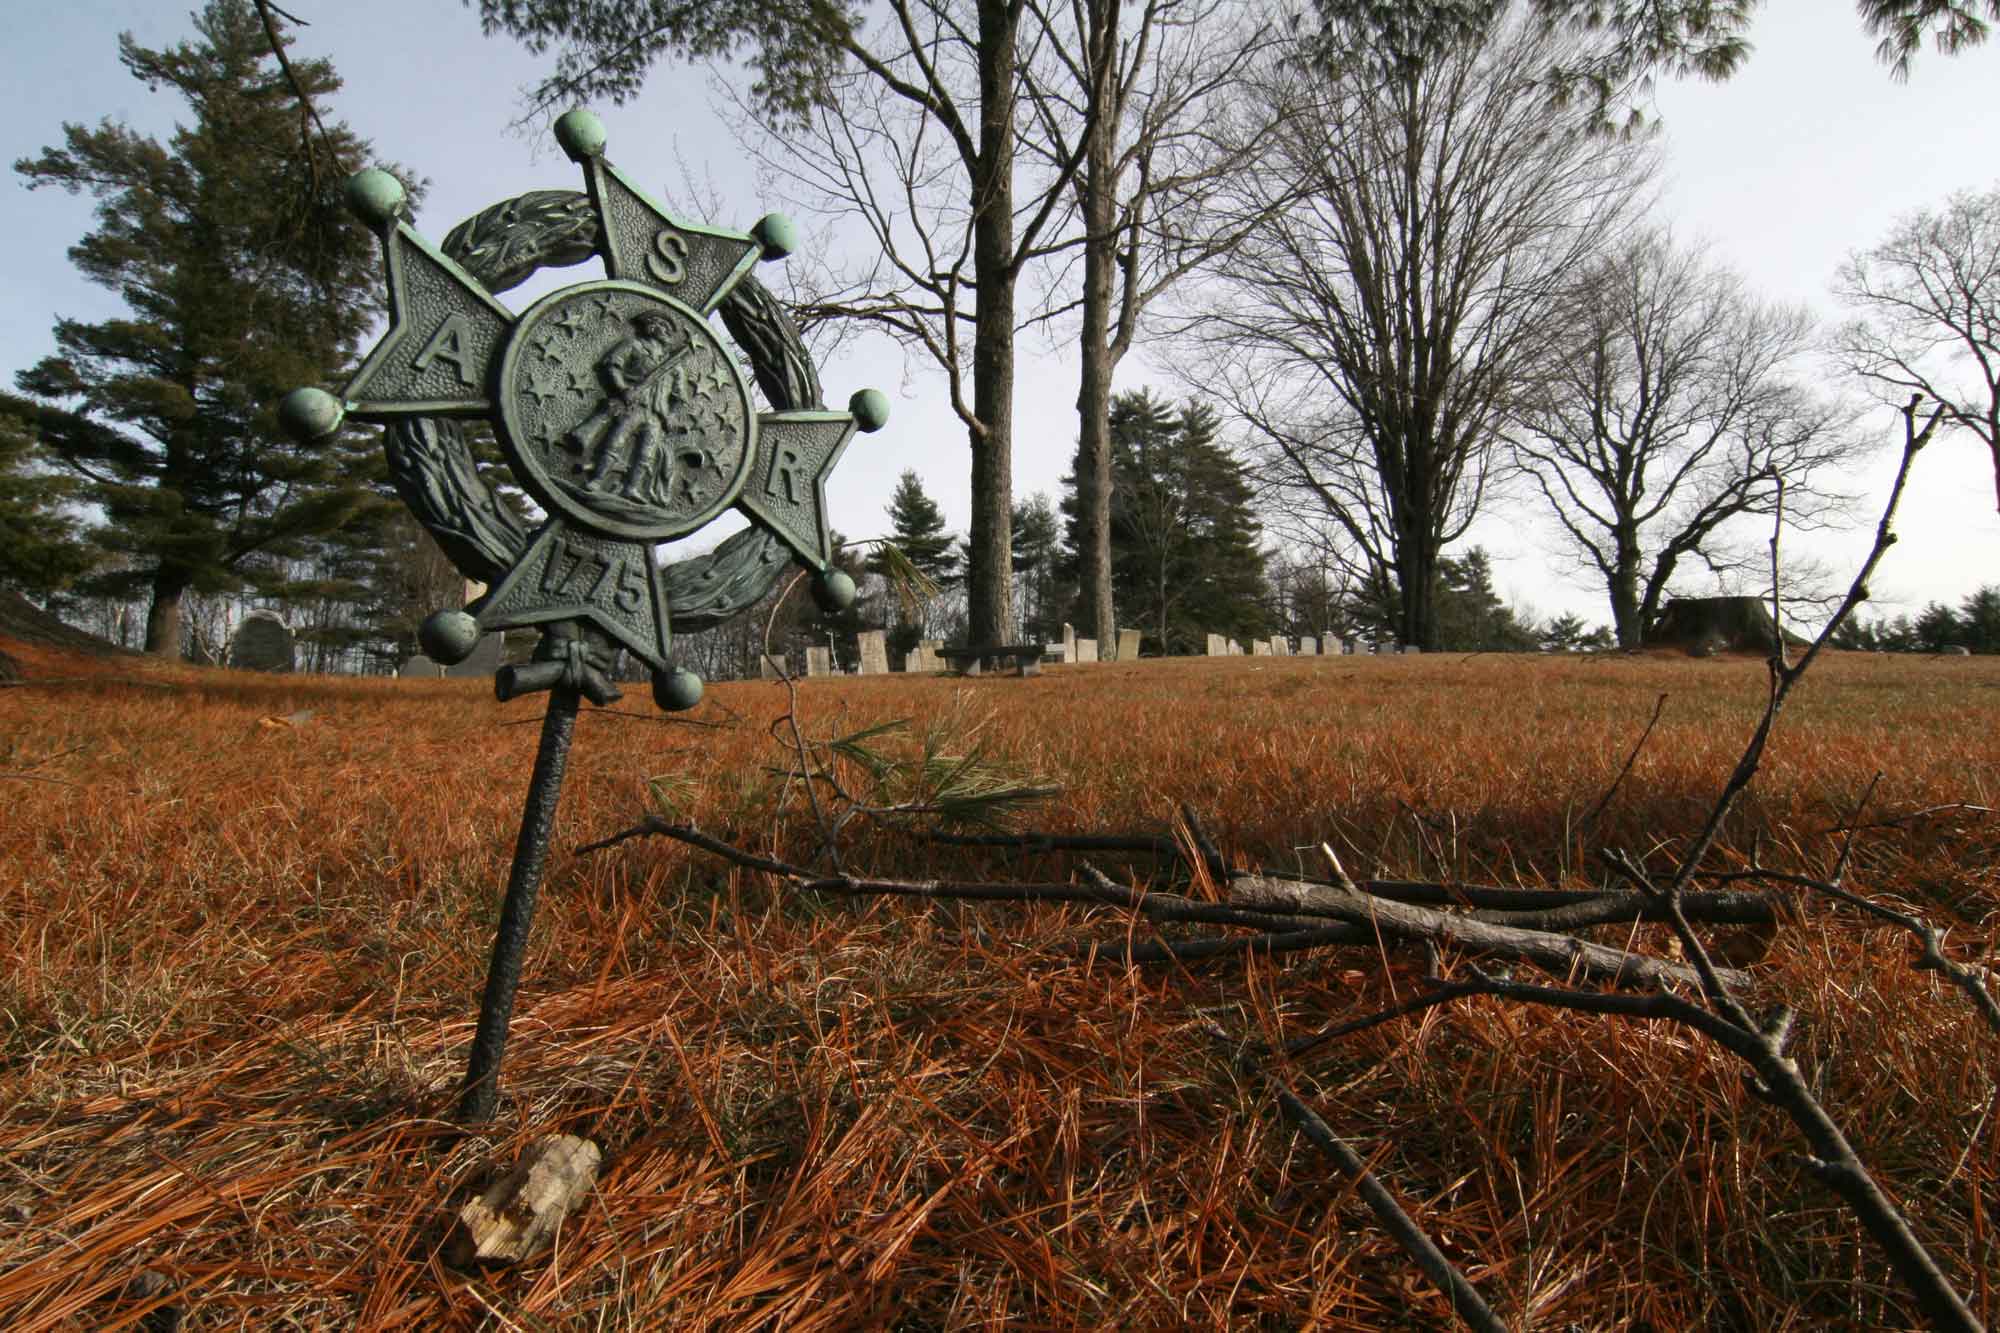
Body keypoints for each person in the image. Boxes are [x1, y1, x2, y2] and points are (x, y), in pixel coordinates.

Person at [568, 310, 691, 503]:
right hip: (634, 406)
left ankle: (631, 489)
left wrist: (671, 416)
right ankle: (597, 480)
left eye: (668, 330)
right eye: (664, 327)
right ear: (652, 326)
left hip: (656, 415)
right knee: (615, 442)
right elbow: (612, 366)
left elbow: (679, 397)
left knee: (646, 455)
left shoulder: (674, 364)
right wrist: (623, 389)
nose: (667, 332)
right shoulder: (633, 345)